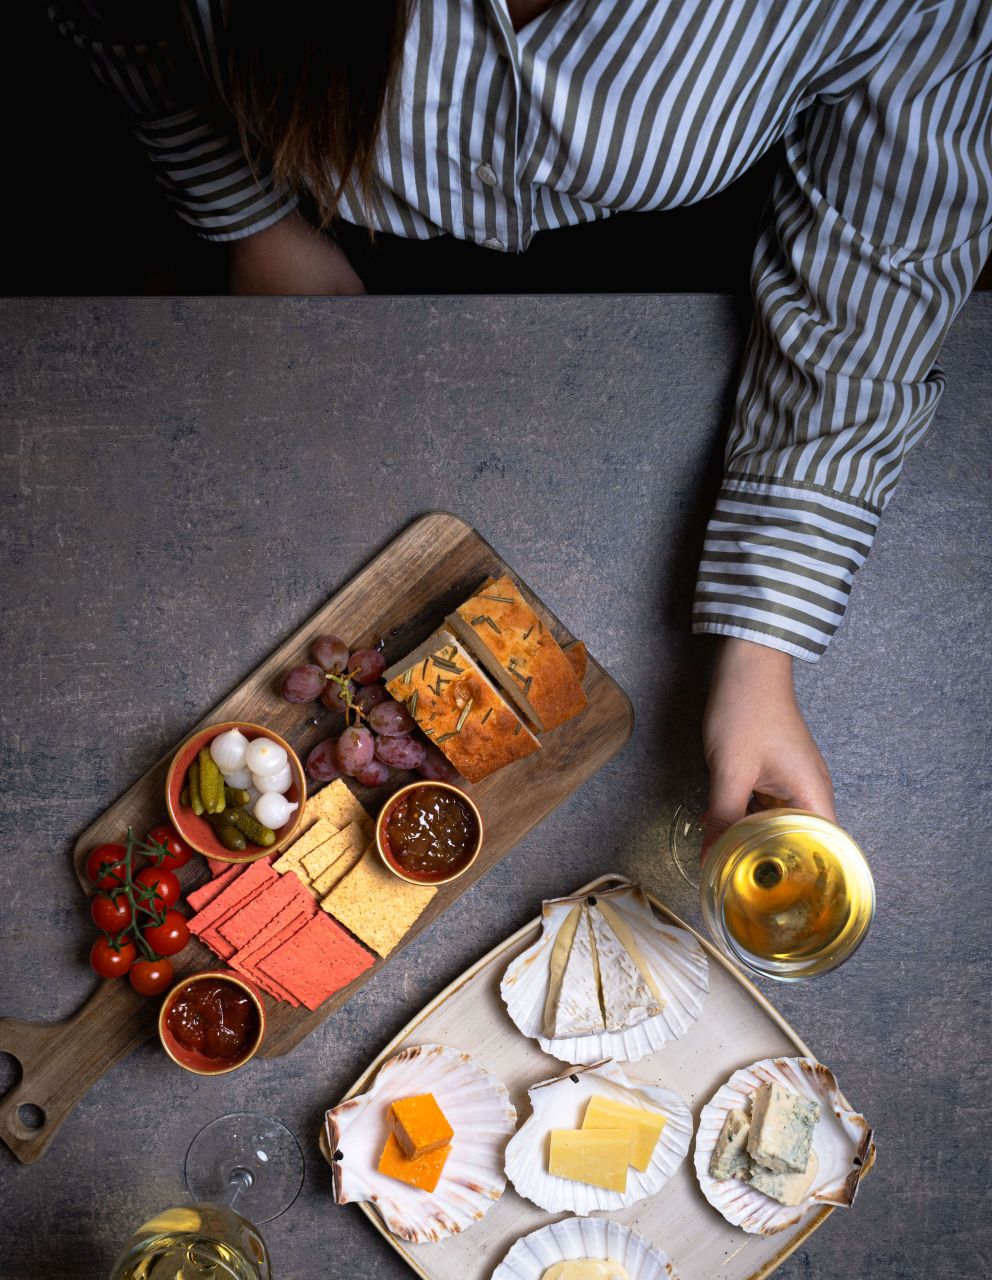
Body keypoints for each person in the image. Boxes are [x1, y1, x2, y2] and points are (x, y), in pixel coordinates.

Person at [52, 1, 992, 851]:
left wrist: (763, 648)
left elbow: (881, 278)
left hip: (689, 263)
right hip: (331, 221)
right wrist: (256, 225)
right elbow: (124, 22)